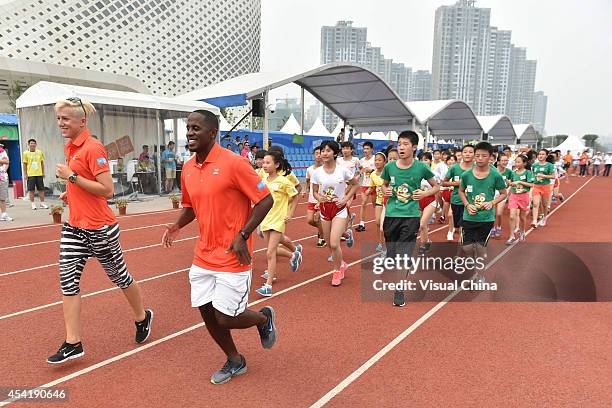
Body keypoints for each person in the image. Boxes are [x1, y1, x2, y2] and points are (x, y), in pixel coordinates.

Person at [162, 110, 276, 385]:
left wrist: (243, 234)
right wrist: (177, 225)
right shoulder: (188, 168)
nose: (190, 132)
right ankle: (235, 360)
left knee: (225, 317)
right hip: (203, 255)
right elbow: (191, 206)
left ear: (213, 133)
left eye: (196, 128)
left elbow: (265, 200)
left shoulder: (235, 164)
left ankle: (262, 319)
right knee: (206, 312)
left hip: (233, 255)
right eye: (188, 127)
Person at [48, 98, 152, 364]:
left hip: (100, 229)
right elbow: (85, 184)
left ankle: (142, 316)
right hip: (74, 227)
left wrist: (71, 177)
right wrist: (70, 194)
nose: (61, 123)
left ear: (82, 121)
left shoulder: (93, 148)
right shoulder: (70, 146)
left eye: (66, 119)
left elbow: (108, 190)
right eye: (59, 118)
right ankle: (73, 343)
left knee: (120, 277)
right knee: (67, 281)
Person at [381, 131, 439, 307]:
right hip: (391, 215)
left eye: (405, 144)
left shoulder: (421, 167)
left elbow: (436, 187)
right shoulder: (389, 167)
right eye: (399, 144)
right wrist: (385, 191)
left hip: (411, 216)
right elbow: (383, 185)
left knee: (404, 256)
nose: (401, 147)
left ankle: (399, 290)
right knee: (392, 250)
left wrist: (425, 193)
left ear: (414, 147)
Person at [458, 142, 507, 283]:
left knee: (480, 248)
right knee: (467, 248)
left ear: (491, 157)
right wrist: (467, 204)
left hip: (486, 219)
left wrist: (492, 203)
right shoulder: (467, 174)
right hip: (469, 217)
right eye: (477, 155)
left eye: (484, 156)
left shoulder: (495, 175)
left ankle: (480, 275)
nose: (480, 158)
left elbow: (504, 194)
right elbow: (461, 190)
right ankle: (472, 264)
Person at [312, 140, 359, 286]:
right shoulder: (317, 172)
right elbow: (314, 191)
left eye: (328, 151)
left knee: (334, 242)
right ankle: (342, 263)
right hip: (325, 209)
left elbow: (354, 185)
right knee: (328, 243)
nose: (324, 153)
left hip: (339, 209)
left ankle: (337, 271)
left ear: (334, 153)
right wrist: (320, 198)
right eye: (322, 151)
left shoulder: (342, 170)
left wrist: (345, 199)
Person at [255, 150, 299, 297]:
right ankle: (293, 256)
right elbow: (258, 197)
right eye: (263, 163)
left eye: (268, 163)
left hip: (278, 220)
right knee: (271, 250)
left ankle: (268, 285)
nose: (264, 165)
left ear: (277, 165)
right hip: (266, 219)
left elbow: (295, 195)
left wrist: (289, 213)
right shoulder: (263, 181)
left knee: (270, 252)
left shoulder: (284, 181)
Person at [443, 145, 475, 242]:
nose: (468, 154)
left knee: (464, 227)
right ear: (461, 154)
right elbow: (444, 182)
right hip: (457, 200)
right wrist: (457, 183)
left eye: (470, 152)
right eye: (465, 152)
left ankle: (462, 249)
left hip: (472, 201)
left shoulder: (477, 167)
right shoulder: (454, 168)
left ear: (474, 154)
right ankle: (453, 231)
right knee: (457, 224)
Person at [506, 155, 535, 244]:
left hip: (524, 196)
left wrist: (520, 182)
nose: (517, 163)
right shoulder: (513, 173)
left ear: (524, 163)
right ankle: (511, 236)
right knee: (511, 216)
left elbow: (531, 185)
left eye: (519, 162)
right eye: (516, 162)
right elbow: (510, 184)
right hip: (514, 196)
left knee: (522, 217)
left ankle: (522, 232)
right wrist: (508, 183)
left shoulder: (528, 173)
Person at [417, 152, 440, 254]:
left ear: (430, 161)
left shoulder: (434, 174)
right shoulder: (415, 173)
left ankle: (423, 245)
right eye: (421, 159)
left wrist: (426, 192)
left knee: (423, 224)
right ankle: (427, 241)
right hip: (417, 201)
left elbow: (437, 188)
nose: (424, 162)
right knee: (420, 226)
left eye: (426, 159)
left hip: (430, 201)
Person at [304, 146, 326, 247]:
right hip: (311, 199)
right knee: (310, 220)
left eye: (320, 153)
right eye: (316, 153)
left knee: (318, 219)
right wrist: (305, 190)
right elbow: (308, 181)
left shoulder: (325, 170)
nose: (318, 155)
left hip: (322, 199)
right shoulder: (309, 169)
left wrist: (321, 200)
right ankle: (323, 231)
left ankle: (322, 238)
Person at [367, 151, 387, 252]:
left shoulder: (387, 173)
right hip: (379, 201)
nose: (377, 162)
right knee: (378, 222)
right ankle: (380, 242)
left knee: (384, 225)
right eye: (375, 160)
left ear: (384, 162)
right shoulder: (373, 174)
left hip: (389, 202)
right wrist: (368, 191)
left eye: (379, 160)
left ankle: (386, 242)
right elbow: (372, 188)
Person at [531, 149, 555, 228]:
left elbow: (553, 176)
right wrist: (533, 179)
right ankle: (534, 221)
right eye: (539, 154)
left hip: (545, 186)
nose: (540, 155)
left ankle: (544, 218)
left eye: (543, 154)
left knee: (544, 205)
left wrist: (544, 176)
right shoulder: (534, 165)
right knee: (535, 204)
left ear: (546, 156)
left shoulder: (549, 165)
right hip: (536, 186)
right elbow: (532, 175)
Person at [22, 138, 49, 210]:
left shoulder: (39, 152)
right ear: (28, 145)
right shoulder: (25, 153)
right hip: (30, 174)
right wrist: (25, 174)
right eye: (31, 143)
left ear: (36, 144)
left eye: (34, 143)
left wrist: (43, 172)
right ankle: (33, 204)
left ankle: (42, 203)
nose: (32, 144)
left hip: (39, 173)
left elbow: (42, 163)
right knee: (31, 190)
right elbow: (24, 164)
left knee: (41, 189)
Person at [492, 154, 512, 239]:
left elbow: (510, 184)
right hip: (492, 194)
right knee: (492, 214)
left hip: (502, 195)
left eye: (506, 160)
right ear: (498, 162)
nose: (505, 162)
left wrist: (508, 184)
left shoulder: (509, 172)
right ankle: (492, 228)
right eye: (503, 160)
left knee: (499, 213)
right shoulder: (493, 171)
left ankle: (499, 227)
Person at [356, 141, 375, 232]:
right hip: (365, 184)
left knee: (376, 205)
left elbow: (381, 169)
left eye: (367, 149)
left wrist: (372, 170)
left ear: (371, 149)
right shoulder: (362, 160)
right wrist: (360, 173)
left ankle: (382, 220)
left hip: (375, 185)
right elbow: (360, 169)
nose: (365, 150)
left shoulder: (375, 159)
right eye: (364, 149)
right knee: (363, 204)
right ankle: (361, 223)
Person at [0, 143, 13, 221]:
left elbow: (7, 161)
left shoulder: (2, 151)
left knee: (2, 197)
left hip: (2, 176)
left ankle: (4, 214)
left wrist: (3, 169)